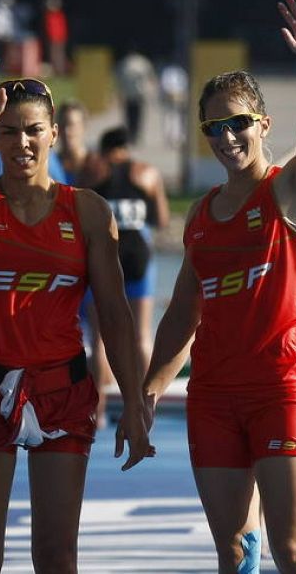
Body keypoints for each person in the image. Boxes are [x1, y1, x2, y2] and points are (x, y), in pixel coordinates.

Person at [0, 60, 153, 572]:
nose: (22, 143)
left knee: (56, 555)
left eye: (33, 130)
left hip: (61, 388)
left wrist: (134, 403)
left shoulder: (88, 210)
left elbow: (115, 316)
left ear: (54, 133)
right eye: (8, 132)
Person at [143, 0, 296, 573]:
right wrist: (148, 393)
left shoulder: (290, 190)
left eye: (238, 123)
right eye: (214, 127)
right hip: (213, 397)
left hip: (280, 390)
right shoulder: (201, 214)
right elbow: (182, 314)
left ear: (263, 124)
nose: (227, 137)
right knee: (234, 552)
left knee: (294, 554)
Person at [89, 126, 169, 427]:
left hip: (105, 259)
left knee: (99, 339)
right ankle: (145, 407)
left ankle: (97, 411)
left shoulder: (93, 172)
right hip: (138, 257)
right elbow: (161, 219)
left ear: (104, 149)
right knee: (141, 336)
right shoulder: (147, 173)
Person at [56, 99, 105, 188]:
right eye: (62, 125)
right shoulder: (49, 166)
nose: (67, 131)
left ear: (84, 126)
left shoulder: (97, 167)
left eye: (71, 125)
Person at [115, 49, 157, 146]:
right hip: (139, 94)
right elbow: (150, 76)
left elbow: (119, 78)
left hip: (128, 94)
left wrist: (120, 92)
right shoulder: (143, 62)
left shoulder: (125, 63)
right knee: (138, 116)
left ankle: (131, 135)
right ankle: (136, 136)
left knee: (129, 116)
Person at [42, 0, 69, 76]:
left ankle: (60, 71)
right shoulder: (49, 15)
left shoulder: (59, 15)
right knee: (54, 55)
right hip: (53, 39)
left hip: (59, 39)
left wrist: (61, 37)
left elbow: (62, 28)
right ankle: (56, 71)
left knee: (59, 55)